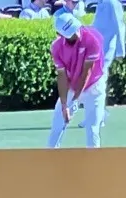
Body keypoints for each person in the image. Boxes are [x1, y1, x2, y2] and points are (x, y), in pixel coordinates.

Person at [48, 7, 107, 146]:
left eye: (75, 28)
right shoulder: (56, 48)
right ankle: (50, 156)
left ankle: (93, 159)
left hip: (94, 85)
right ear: (60, 34)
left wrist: (75, 101)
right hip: (71, 85)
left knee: (93, 129)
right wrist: (65, 105)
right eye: (70, 32)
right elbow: (62, 76)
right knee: (57, 124)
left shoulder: (93, 38)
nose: (75, 33)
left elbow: (87, 72)